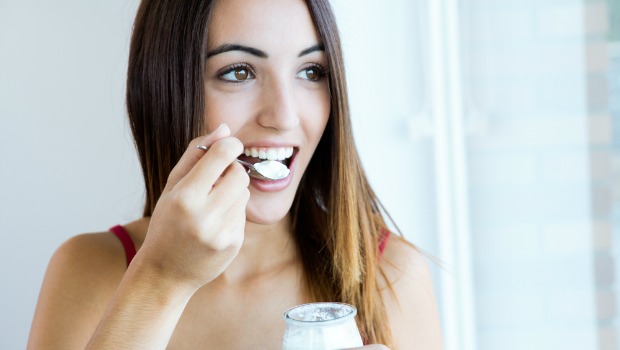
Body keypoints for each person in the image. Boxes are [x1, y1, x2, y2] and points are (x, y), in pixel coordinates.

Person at [27, 0, 443, 348]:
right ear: (166, 88)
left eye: (311, 71)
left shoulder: (393, 276)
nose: (284, 116)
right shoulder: (89, 270)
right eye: (239, 72)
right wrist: (161, 279)